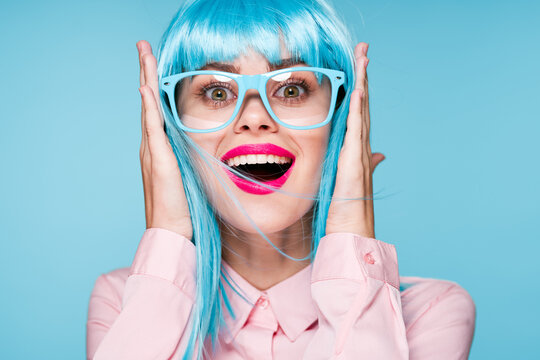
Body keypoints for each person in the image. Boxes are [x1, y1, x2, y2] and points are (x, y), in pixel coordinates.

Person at [86, 0, 476, 359]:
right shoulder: (125, 301)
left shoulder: (432, 312)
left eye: (291, 89)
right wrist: (167, 238)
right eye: (217, 91)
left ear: (342, 122)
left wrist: (351, 236)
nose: (254, 117)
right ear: (173, 130)